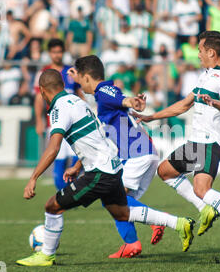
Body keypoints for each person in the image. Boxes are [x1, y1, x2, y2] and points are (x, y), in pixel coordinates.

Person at [15, 69, 195, 266]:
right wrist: (77, 165)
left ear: (42, 91)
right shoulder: (77, 101)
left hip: (99, 173)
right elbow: (98, 137)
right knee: (122, 212)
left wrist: (33, 178)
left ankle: (46, 255)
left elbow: (53, 147)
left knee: (52, 206)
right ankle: (179, 223)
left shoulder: (60, 108)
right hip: (113, 167)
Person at [133, 31, 220, 254]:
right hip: (196, 141)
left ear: (212, 52)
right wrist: (152, 117)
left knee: (202, 189)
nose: (198, 54)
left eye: (201, 50)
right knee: (164, 171)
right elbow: (184, 105)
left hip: (210, 142)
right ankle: (205, 209)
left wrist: (213, 102)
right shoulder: (206, 75)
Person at [69, 55, 168, 258]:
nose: (79, 85)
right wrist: (79, 164)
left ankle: (156, 221)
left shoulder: (103, 91)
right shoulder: (101, 94)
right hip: (142, 152)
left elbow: (121, 99)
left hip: (136, 153)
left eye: (79, 79)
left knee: (113, 200)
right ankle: (132, 245)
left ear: (87, 78)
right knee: (118, 202)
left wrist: (132, 101)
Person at [33, 38, 85, 191]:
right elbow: (38, 98)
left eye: (60, 51)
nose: (57, 55)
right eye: (54, 52)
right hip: (56, 123)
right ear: (49, 53)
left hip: (74, 125)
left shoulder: (70, 71)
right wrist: (39, 120)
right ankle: (63, 192)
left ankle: (69, 192)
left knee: (79, 158)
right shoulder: (44, 73)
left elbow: (78, 94)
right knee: (59, 159)